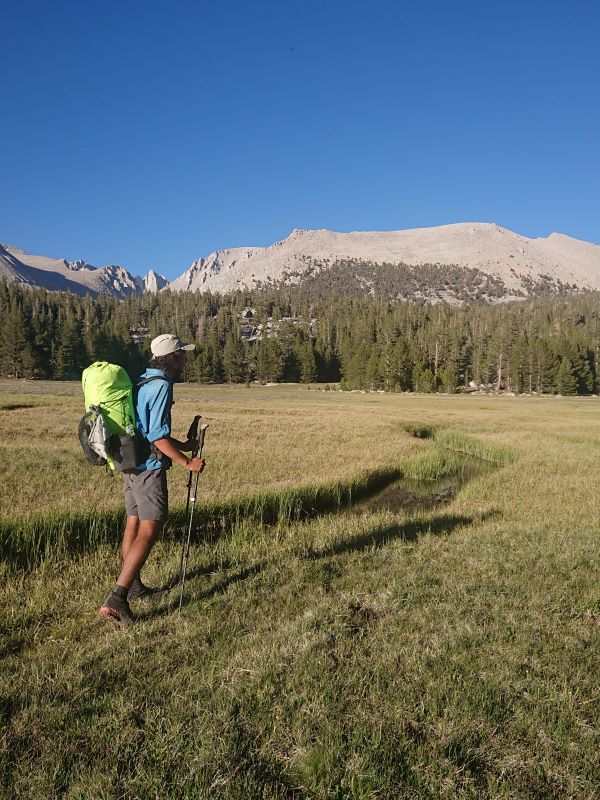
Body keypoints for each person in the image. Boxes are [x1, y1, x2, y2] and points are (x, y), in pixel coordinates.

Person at [98, 333, 205, 626]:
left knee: (133, 522)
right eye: (182, 354)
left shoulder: (143, 379)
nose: (185, 358)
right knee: (150, 528)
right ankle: (117, 598)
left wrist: (182, 445)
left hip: (129, 462)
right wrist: (187, 463)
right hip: (147, 467)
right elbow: (157, 435)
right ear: (171, 358)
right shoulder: (161, 386)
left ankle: (132, 586)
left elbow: (147, 430)